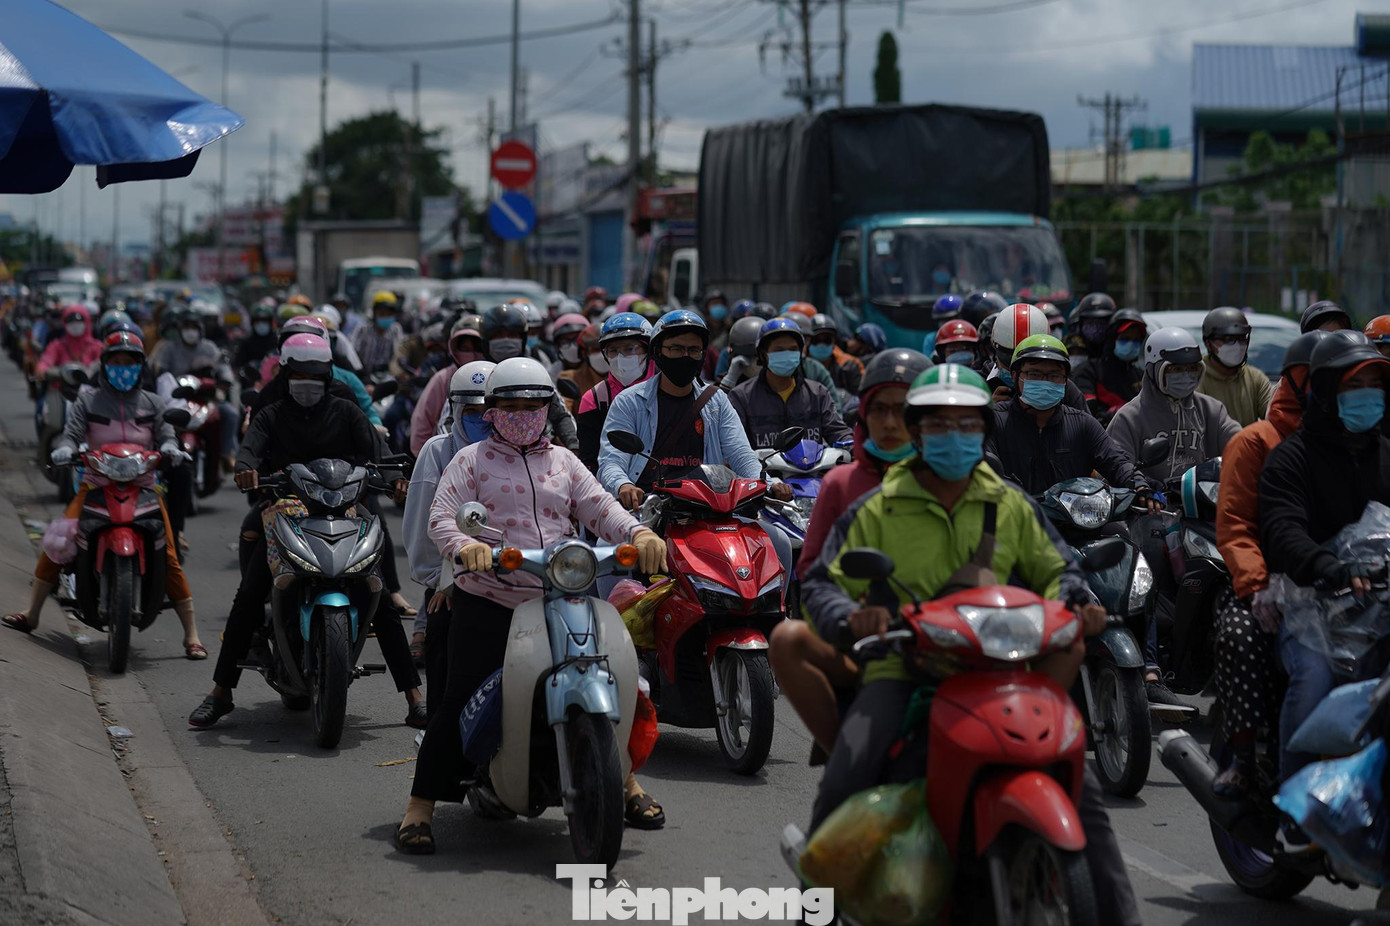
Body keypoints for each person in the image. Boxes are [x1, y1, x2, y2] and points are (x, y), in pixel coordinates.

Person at [799, 364, 1140, 926]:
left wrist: (1079, 602)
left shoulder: (1009, 504)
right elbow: (820, 582)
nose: (953, 436)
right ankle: (814, 910)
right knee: (847, 776)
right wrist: (852, 617)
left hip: (1007, 672)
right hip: (904, 669)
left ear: (984, 431)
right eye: (939, 425)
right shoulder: (878, 507)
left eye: (966, 425)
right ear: (916, 431)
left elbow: (1058, 568)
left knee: (1081, 783)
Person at [394, 358, 670, 853]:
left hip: (563, 596)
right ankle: (420, 806)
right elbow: (442, 516)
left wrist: (638, 531)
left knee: (618, 677)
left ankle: (624, 782)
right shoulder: (470, 460)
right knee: (458, 700)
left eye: (533, 406)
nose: (522, 414)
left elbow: (600, 506)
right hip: (491, 600)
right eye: (510, 407)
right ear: (491, 411)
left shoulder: (564, 461)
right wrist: (465, 547)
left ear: (548, 410)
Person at [188, 334, 425, 731]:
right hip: (285, 509)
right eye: (299, 374)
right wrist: (246, 470)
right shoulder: (271, 413)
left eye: (316, 375)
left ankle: (414, 697)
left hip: (346, 507)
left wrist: (396, 477)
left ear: (329, 374)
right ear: (286, 373)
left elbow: (379, 456)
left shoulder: (347, 411)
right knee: (249, 594)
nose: (308, 383)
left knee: (376, 591)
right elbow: (249, 449)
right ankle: (221, 692)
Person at [1259, 330, 1390, 850]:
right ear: (1330, 390)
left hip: (1381, 606)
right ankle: (1294, 814)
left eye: (1379, 384)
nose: (1372, 395)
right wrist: (1329, 566)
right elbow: (1282, 529)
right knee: (1313, 680)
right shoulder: (1291, 459)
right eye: (1361, 385)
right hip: (1311, 606)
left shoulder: (1386, 455)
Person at [4, 331, 205, 658]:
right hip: (96, 483)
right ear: (105, 364)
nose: (122, 368)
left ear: (140, 366)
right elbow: (71, 435)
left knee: (168, 552)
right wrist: (64, 450)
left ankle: (191, 635)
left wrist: (170, 448)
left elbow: (167, 435)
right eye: (116, 362)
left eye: (129, 362)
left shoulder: (153, 402)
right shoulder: (88, 400)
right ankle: (33, 613)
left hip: (143, 485)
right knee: (59, 543)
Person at [774, 348, 930, 758]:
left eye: (905, 410)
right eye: (879, 409)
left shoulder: (958, 480)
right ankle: (843, 752)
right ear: (863, 415)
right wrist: (850, 615)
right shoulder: (841, 484)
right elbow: (813, 571)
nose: (891, 423)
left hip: (947, 640)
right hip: (868, 645)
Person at [1210, 331, 1328, 796]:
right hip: (1265, 585)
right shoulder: (1256, 441)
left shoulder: (1352, 443)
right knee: (1240, 635)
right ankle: (1243, 759)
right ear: (1298, 381)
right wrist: (1258, 585)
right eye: (1322, 380)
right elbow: (1236, 524)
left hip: (1333, 585)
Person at [1107, 327, 1240, 709]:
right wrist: (1142, 489)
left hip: (1203, 515)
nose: (1185, 376)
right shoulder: (1129, 418)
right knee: (1143, 569)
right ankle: (1150, 667)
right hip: (1152, 517)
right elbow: (1115, 469)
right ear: (1154, 369)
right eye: (1174, 369)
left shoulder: (1210, 410)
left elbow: (1240, 447)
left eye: (1191, 368)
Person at [402, 360, 494, 693]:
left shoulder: (525, 450)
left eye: (489, 409)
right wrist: (443, 583)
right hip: (451, 580)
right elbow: (423, 525)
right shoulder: (438, 451)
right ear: (455, 410)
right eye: (471, 410)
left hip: (513, 573)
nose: (482, 419)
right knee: (441, 637)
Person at [987, 334, 1156, 502]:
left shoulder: (1082, 424)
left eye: (1054, 376)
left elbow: (1117, 461)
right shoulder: (995, 421)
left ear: (1065, 381)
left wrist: (1140, 485)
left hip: (1077, 522)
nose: (1045, 382)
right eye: (1034, 374)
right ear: (1016, 376)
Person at [729, 318, 852, 450]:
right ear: (763, 355)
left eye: (793, 349)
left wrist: (852, 445)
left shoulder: (818, 393)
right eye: (779, 350)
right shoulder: (742, 397)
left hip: (813, 469)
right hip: (763, 470)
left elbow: (837, 431)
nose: (786, 355)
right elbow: (733, 444)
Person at [148, 307, 239, 472]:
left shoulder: (209, 347)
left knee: (231, 414)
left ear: (200, 329)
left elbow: (222, 366)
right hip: (178, 397)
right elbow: (159, 367)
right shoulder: (169, 348)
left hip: (206, 397)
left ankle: (226, 454)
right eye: (186, 326)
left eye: (194, 327)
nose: (190, 331)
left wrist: (225, 379)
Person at [575, 312, 655, 471]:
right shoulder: (595, 398)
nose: (620, 357)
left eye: (629, 349)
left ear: (649, 350)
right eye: (612, 351)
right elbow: (589, 461)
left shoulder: (666, 389)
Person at [407, 315, 485, 454]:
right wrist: (426, 458)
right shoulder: (443, 379)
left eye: (477, 348)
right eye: (464, 349)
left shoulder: (493, 376)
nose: (471, 354)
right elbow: (422, 423)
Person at [988, 303, 1087, 411]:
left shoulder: (1064, 389)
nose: (1015, 368)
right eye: (1009, 358)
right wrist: (987, 412)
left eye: (1031, 362)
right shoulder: (979, 385)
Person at [1197, 306, 1273, 428]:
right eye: (1228, 339)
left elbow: (1275, 418)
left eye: (1241, 338)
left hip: (1247, 446)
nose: (1237, 346)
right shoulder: (1196, 377)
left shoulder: (1255, 378)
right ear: (1208, 343)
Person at [1072, 307, 1146, 422]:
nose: (1131, 344)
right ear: (1112, 338)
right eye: (1125, 339)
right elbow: (1086, 414)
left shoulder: (1141, 376)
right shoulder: (1089, 371)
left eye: (1136, 340)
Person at [807, 313, 864, 397]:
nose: (821, 345)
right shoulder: (799, 366)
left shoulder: (850, 366)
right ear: (807, 342)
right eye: (816, 340)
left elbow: (860, 397)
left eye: (827, 340)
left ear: (834, 342)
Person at [351, 291, 404, 374]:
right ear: (374, 313)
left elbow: (398, 354)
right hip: (364, 374)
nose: (385, 316)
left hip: (388, 376)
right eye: (382, 313)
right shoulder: (363, 329)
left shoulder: (395, 329)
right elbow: (353, 352)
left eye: (389, 314)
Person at [1065, 291, 1117, 362]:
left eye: (1100, 322)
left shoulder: (1118, 349)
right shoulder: (1072, 346)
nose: (1095, 328)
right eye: (1090, 322)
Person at [549, 312, 591, 388]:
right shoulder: (553, 373)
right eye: (564, 341)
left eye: (576, 340)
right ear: (557, 345)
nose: (572, 347)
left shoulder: (597, 368)